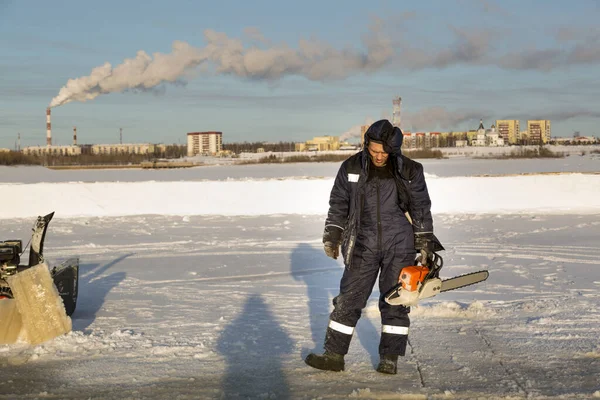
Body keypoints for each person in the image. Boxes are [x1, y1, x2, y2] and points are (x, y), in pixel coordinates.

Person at [304, 119, 443, 374]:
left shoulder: (410, 170)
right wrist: (332, 235)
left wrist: (424, 240)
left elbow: (421, 207)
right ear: (366, 144)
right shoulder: (351, 167)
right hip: (362, 243)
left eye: (384, 152)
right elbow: (338, 204)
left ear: (394, 149)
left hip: (399, 243)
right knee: (349, 299)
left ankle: (390, 358)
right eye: (374, 150)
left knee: (396, 301)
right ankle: (334, 356)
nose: (378, 156)